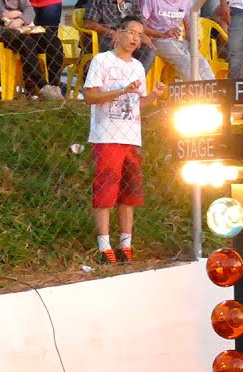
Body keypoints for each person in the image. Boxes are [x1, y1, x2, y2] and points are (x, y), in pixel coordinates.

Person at [83, 15, 167, 264]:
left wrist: (154, 95)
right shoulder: (102, 61)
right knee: (105, 190)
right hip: (107, 134)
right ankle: (104, 244)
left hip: (132, 136)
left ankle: (126, 243)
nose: (134, 38)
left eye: (139, 35)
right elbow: (90, 97)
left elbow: (137, 103)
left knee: (130, 192)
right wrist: (122, 90)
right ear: (117, 33)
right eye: (130, 32)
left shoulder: (138, 66)